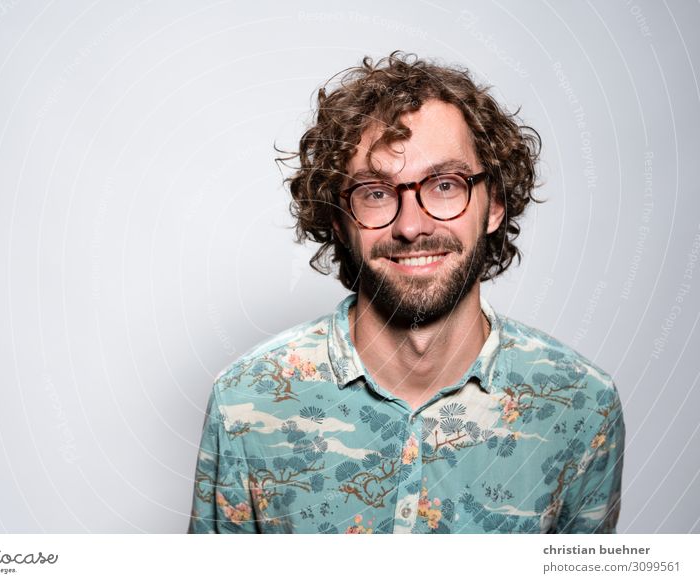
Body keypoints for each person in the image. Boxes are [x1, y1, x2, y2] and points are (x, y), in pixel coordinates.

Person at [187, 50, 624, 534]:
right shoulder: (246, 400)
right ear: (339, 221)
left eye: (445, 185)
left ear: (495, 203)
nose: (411, 226)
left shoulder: (581, 405)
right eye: (375, 192)